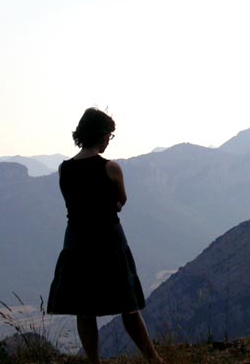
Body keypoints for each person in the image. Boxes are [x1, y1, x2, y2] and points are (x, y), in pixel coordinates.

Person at [48, 108, 164, 364]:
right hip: (108, 242)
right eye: (109, 135)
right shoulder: (111, 169)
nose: (109, 140)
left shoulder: (64, 169)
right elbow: (121, 200)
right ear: (101, 135)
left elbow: (75, 203)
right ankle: (153, 359)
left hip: (77, 242)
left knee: (84, 309)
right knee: (128, 305)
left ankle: (94, 362)